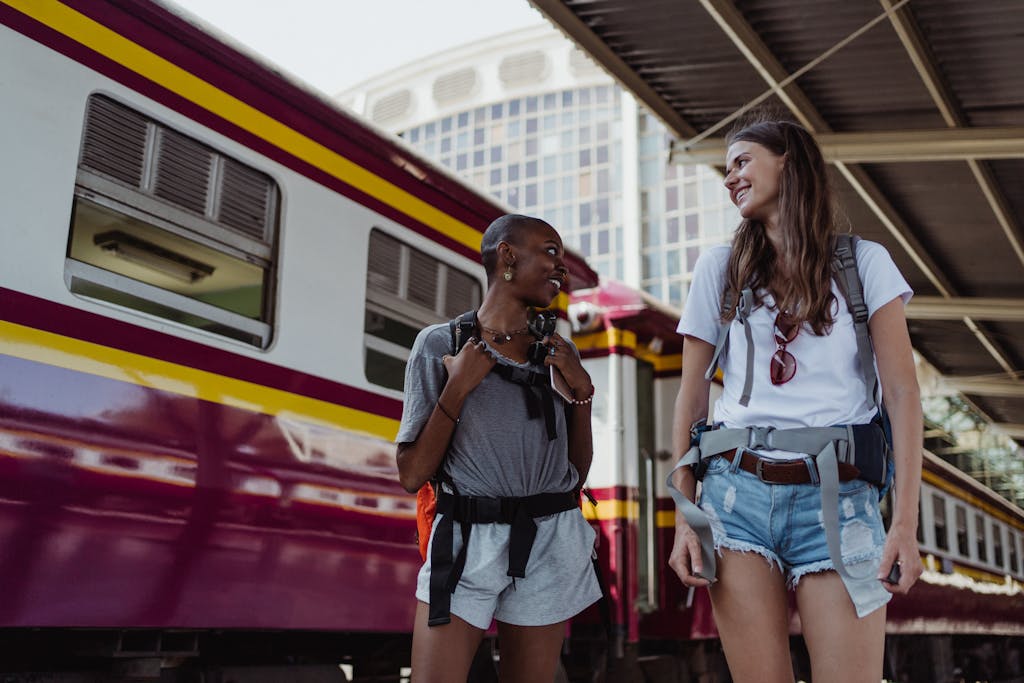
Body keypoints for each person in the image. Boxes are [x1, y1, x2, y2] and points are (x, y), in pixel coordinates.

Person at [667, 119, 924, 683]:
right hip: (735, 500)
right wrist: (686, 517)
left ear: (788, 162)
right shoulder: (719, 268)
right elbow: (692, 397)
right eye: (727, 167)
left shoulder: (865, 264)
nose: (730, 177)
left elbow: (904, 395)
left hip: (840, 498)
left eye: (742, 161)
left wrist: (904, 523)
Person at [395, 214, 601, 682]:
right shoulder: (440, 345)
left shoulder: (558, 353)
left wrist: (583, 393)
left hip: (549, 536)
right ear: (507, 255)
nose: (561, 269)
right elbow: (411, 475)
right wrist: (457, 388)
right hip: (467, 538)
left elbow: (572, 476)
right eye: (550, 252)